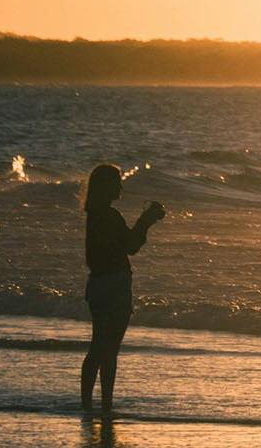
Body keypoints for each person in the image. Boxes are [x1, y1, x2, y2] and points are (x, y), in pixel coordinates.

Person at [80, 164, 168, 414]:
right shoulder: (109, 216)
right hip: (115, 285)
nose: (120, 186)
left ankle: (86, 404)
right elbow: (131, 245)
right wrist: (146, 221)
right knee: (110, 350)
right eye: (116, 181)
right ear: (106, 186)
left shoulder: (94, 216)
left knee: (98, 346)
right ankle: (105, 405)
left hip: (97, 285)